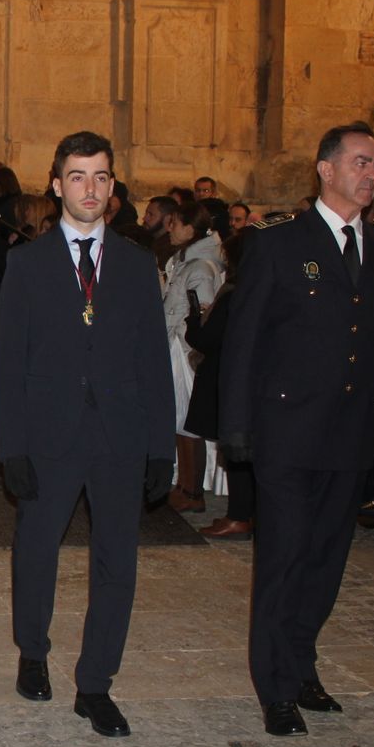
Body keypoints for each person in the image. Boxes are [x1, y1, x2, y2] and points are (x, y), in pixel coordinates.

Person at [218, 121, 374, 737]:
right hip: (287, 432)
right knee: (283, 558)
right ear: (325, 170)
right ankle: (274, 687)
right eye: (359, 162)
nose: (370, 174)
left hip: (350, 436)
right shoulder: (277, 243)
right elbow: (242, 343)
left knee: (326, 561)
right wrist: (237, 428)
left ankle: (302, 665)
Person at [0, 130, 174, 738]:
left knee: (116, 562)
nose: (90, 189)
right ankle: (32, 652)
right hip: (49, 434)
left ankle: (96, 683)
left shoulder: (135, 262)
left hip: (120, 435)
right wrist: (11, 447)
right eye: (78, 176)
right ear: (56, 185)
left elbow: (154, 358)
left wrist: (160, 448)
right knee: (38, 550)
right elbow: (7, 364)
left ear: (113, 187)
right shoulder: (26, 263)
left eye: (101, 177)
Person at [184, 229, 253, 539]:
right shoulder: (255, 289)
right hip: (244, 377)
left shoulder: (237, 291)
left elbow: (211, 338)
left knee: (237, 447)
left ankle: (239, 516)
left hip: (229, 378)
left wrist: (195, 322)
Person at [161, 201, 224, 514]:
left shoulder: (199, 267)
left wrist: (190, 343)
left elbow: (204, 312)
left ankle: (192, 490)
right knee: (178, 422)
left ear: (190, 228)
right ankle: (183, 484)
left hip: (185, 351)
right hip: (176, 346)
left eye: (174, 223)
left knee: (188, 425)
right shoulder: (183, 262)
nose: (169, 228)